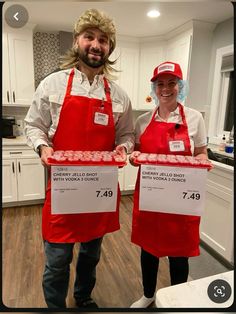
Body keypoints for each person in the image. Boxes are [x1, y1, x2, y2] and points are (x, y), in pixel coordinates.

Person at [24, 8, 134, 308]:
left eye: (103, 39)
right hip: (64, 189)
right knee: (58, 259)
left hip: (99, 192)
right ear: (77, 41)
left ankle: (84, 298)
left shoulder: (120, 95)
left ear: (110, 47)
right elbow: (33, 125)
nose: (96, 45)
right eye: (89, 37)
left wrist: (124, 149)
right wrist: (42, 148)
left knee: (91, 255)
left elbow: (126, 136)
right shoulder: (52, 84)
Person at [129, 61, 208, 308]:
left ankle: (178, 299)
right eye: (160, 84)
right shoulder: (142, 121)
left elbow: (202, 153)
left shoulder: (195, 118)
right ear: (154, 88)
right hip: (151, 197)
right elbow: (137, 156)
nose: (166, 88)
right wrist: (133, 159)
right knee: (149, 249)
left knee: (179, 253)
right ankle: (149, 295)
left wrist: (202, 162)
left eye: (171, 83)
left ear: (180, 86)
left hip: (181, 200)